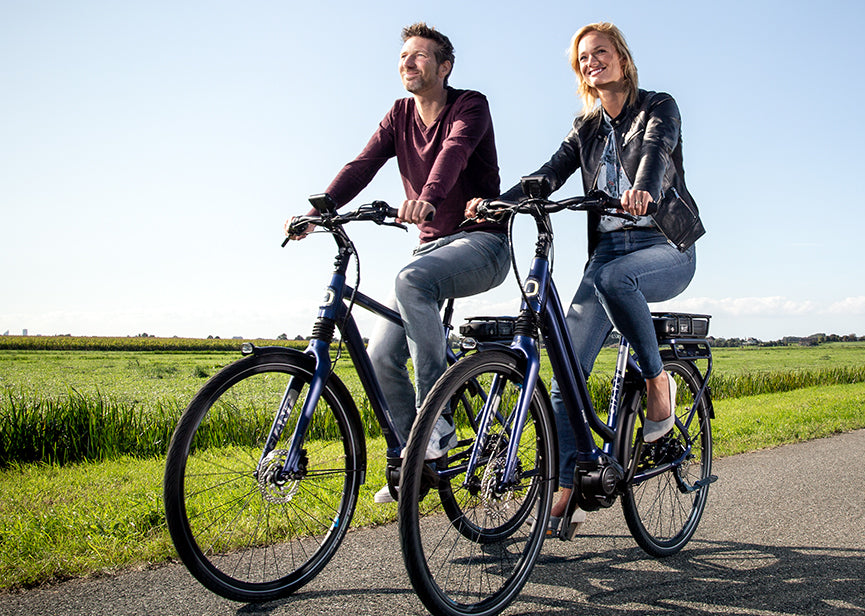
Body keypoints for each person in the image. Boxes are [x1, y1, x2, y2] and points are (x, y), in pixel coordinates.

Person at [469, 22, 702, 536]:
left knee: (620, 280)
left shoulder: (659, 106)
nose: (592, 61)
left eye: (601, 52)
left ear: (621, 57)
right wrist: (500, 203)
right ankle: (569, 484)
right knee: (563, 373)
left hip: (665, 246)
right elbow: (549, 173)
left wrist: (642, 189)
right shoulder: (586, 127)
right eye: (583, 58)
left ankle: (658, 381)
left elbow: (655, 155)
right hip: (608, 255)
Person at [289, 22, 510, 503]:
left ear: (444, 66)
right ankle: (418, 455)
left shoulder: (469, 104)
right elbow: (363, 163)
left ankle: (436, 420)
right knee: (381, 354)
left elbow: (454, 152)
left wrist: (428, 198)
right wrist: (317, 211)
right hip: (429, 251)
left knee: (410, 281)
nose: (408, 63)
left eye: (420, 56)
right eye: (404, 56)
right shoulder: (398, 114)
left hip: (482, 243)